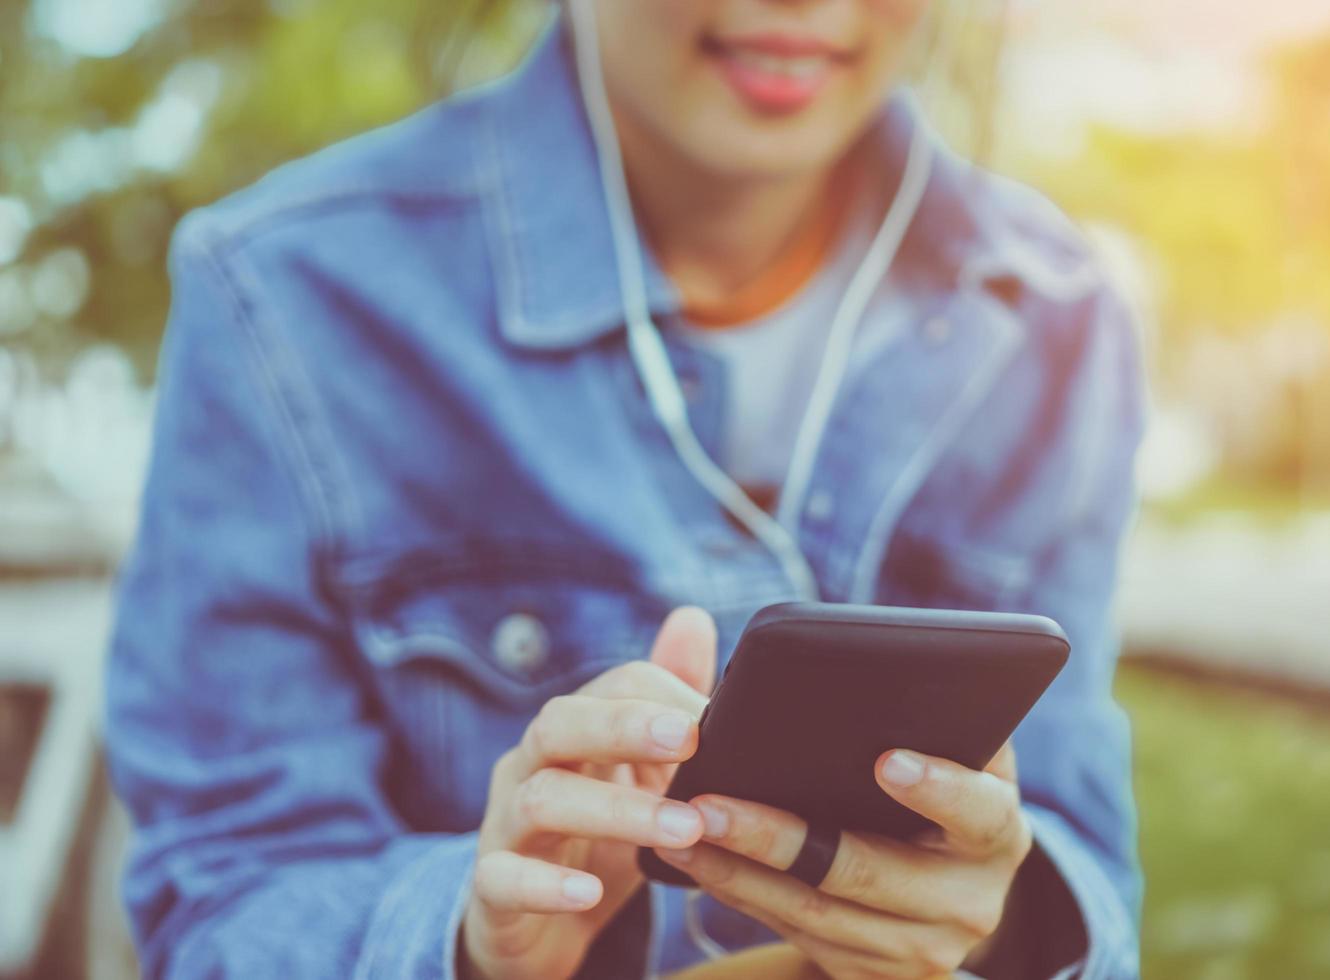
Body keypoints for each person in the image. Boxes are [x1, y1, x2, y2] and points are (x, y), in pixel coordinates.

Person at [105, 1, 1146, 977]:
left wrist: (1003, 910)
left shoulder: (1059, 310)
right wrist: (468, 937)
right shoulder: (283, 294)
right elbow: (222, 898)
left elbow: (1081, 846)